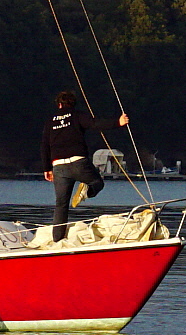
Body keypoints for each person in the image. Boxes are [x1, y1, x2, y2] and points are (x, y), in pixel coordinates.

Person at [41, 90, 129, 243]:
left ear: (59, 105)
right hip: (78, 162)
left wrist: (46, 168)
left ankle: (57, 240)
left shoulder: (50, 120)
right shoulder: (77, 115)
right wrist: (118, 122)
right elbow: (95, 124)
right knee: (97, 183)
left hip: (58, 166)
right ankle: (87, 191)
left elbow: (44, 145)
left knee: (61, 204)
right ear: (73, 104)